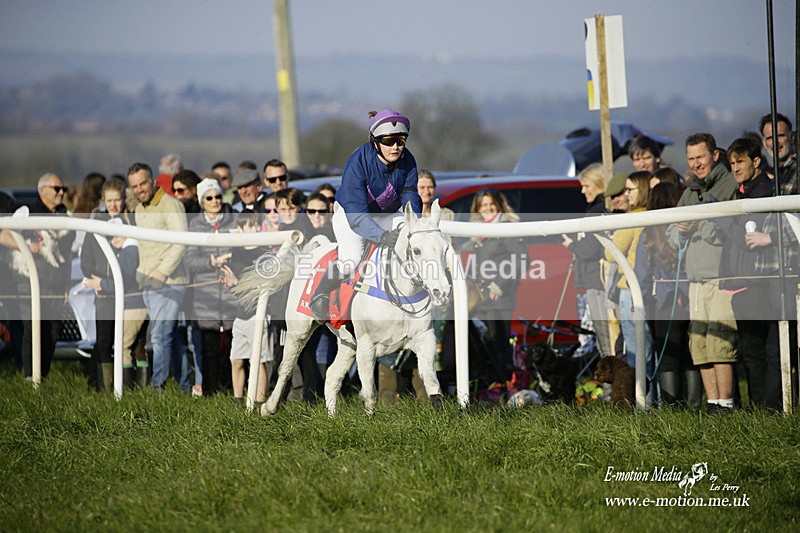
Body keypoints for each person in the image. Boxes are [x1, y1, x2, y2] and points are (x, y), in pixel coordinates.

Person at [309, 109, 421, 320]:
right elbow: (357, 215)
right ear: (374, 141)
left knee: (413, 237)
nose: (396, 146)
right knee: (351, 261)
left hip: (385, 214)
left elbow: (410, 195)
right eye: (389, 140)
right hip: (351, 213)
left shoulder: (408, 160)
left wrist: (415, 224)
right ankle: (320, 294)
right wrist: (381, 236)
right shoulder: (358, 161)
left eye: (401, 140)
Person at [667, 133, 738, 412]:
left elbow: (730, 234)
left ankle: (727, 405)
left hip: (721, 276)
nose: (696, 164)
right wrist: (680, 231)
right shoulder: (688, 192)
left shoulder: (729, 184)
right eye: (691, 158)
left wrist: (699, 226)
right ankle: (712, 404)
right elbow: (673, 235)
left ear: (715, 155)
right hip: (695, 277)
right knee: (699, 344)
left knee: (721, 342)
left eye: (701, 157)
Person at [715, 137, 775, 408]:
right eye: (732, 163)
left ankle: (767, 408)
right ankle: (758, 408)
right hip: (742, 282)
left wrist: (720, 217)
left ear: (756, 161)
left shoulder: (765, 191)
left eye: (740, 162)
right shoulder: (742, 192)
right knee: (751, 351)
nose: (736, 168)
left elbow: (747, 240)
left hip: (760, 282)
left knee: (761, 351)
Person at [635, 182, 700, 407]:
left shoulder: (649, 234)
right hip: (692, 297)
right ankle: (695, 405)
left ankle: (673, 408)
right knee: (692, 353)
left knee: (668, 357)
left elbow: (642, 275)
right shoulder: (688, 228)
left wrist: (640, 302)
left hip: (662, 301)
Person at [127, 162, 190, 391]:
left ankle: (158, 388)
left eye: (143, 183)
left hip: (170, 282)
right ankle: (185, 386)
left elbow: (181, 241)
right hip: (148, 283)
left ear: (153, 181)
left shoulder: (171, 205)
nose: (140, 189)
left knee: (160, 336)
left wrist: (163, 272)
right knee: (169, 335)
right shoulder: (139, 210)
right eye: (134, 186)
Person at [16, 173, 74, 380]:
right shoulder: (25, 213)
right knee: (33, 330)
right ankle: (30, 378)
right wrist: (25, 247)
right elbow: (6, 237)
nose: (61, 193)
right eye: (57, 189)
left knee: (51, 333)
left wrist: (66, 285)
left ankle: (44, 377)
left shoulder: (66, 216)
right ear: (42, 190)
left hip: (56, 285)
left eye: (63, 189)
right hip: (29, 282)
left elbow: (66, 256)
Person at [183, 178, 237, 396]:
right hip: (206, 294)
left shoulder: (234, 221)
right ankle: (211, 391)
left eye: (218, 196)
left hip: (232, 292)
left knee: (233, 345)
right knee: (208, 346)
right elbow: (189, 259)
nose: (215, 201)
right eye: (209, 198)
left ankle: (233, 388)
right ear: (201, 201)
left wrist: (234, 259)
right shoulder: (194, 225)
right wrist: (211, 262)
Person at [462, 189, 521, 387]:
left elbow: (521, 259)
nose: (488, 208)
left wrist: (499, 285)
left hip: (499, 298)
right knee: (485, 345)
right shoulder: (477, 234)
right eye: (483, 205)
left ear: (499, 205)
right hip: (479, 298)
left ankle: (506, 387)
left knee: (499, 345)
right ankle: (492, 387)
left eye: (491, 204)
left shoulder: (507, 228)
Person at [604, 171, 655, 400]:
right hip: (651, 289)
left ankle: (641, 404)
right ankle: (656, 403)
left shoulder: (632, 218)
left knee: (637, 355)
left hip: (631, 289)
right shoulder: (654, 215)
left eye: (629, 189)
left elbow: (610, 253)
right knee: (651, 353)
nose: (625, 194)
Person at [80, 178, 133, 391]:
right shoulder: (95, 225)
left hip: (127, 294)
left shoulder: (130, 222)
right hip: (102, 293)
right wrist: (97, 281)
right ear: (103, 200)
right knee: (103, 341)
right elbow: (86, 259)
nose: (113, 205)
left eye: (117, 200)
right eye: (109, 200)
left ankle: (127, 387)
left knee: (127, 342)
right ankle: (104, 387)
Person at [220, 213, 273, 405]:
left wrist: (237, 283)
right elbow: (238, 289)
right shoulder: (237, 251)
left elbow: (264, 287)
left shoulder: (265, 253)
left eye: (254, 225)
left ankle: (259, 404)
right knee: (236, 359)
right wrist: (230, 283)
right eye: (246, 226)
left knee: (258, 362)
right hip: (240, 315)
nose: (252, 230)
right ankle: (237, 401)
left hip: (259, 315)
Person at [561, 163, 612, 359]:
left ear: (599, 184)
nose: (583, 191)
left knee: (605, 337)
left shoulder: (599, 210)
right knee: (602, 336)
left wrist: (572, 245)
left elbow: (591, 248)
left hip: (598, 280)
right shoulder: (594, 208)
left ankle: (612, 386)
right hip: (593, 279)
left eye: (587, 186)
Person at [759, 112, 797, 195]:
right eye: (770, 138)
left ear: (792, 138)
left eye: (780, 136)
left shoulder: (797, 169)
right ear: (764, 143)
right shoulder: (765, 175)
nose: (775, 142)